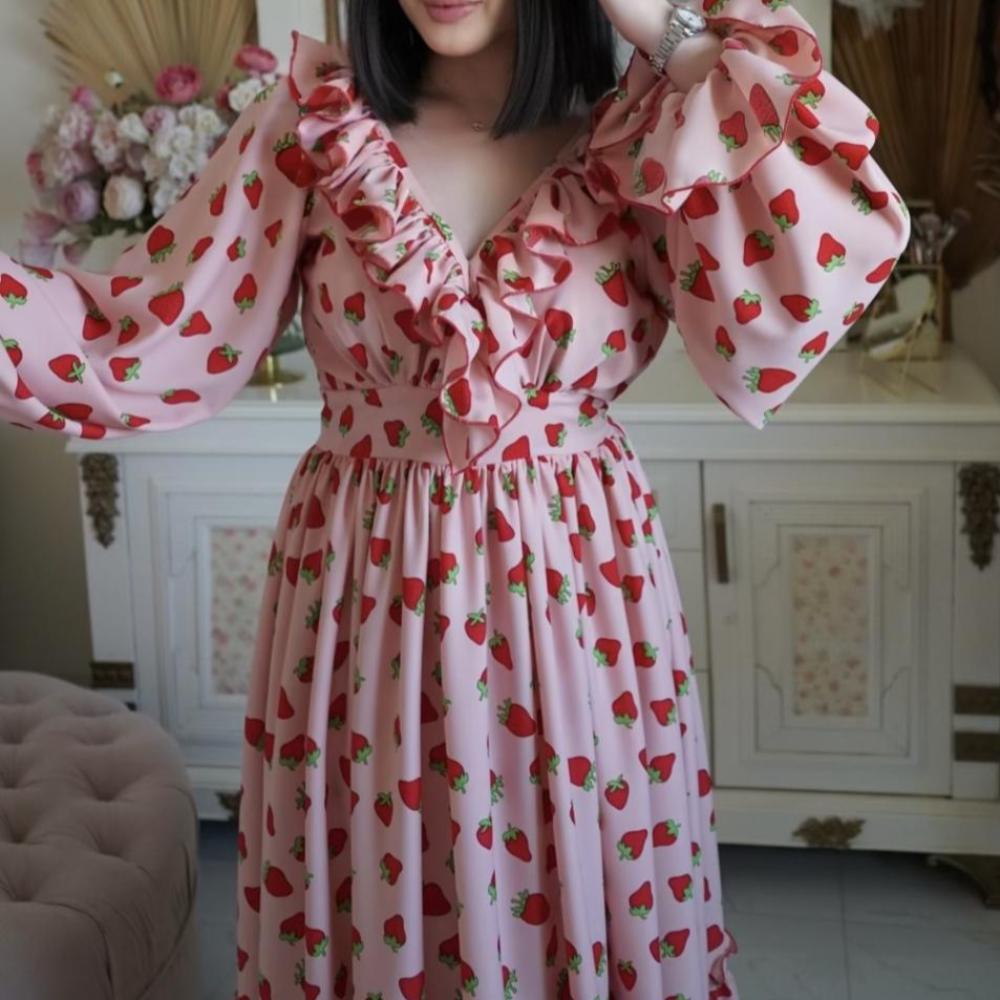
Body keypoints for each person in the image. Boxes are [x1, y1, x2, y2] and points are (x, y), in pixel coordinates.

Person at [0, 0, 911, 997]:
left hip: (583, 610)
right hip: (365, 613)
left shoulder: (648, 129)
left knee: (587, 886)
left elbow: (812, 266)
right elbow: (137, 337)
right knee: (384, 902)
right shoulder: (313, 126)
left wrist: (663, 24)